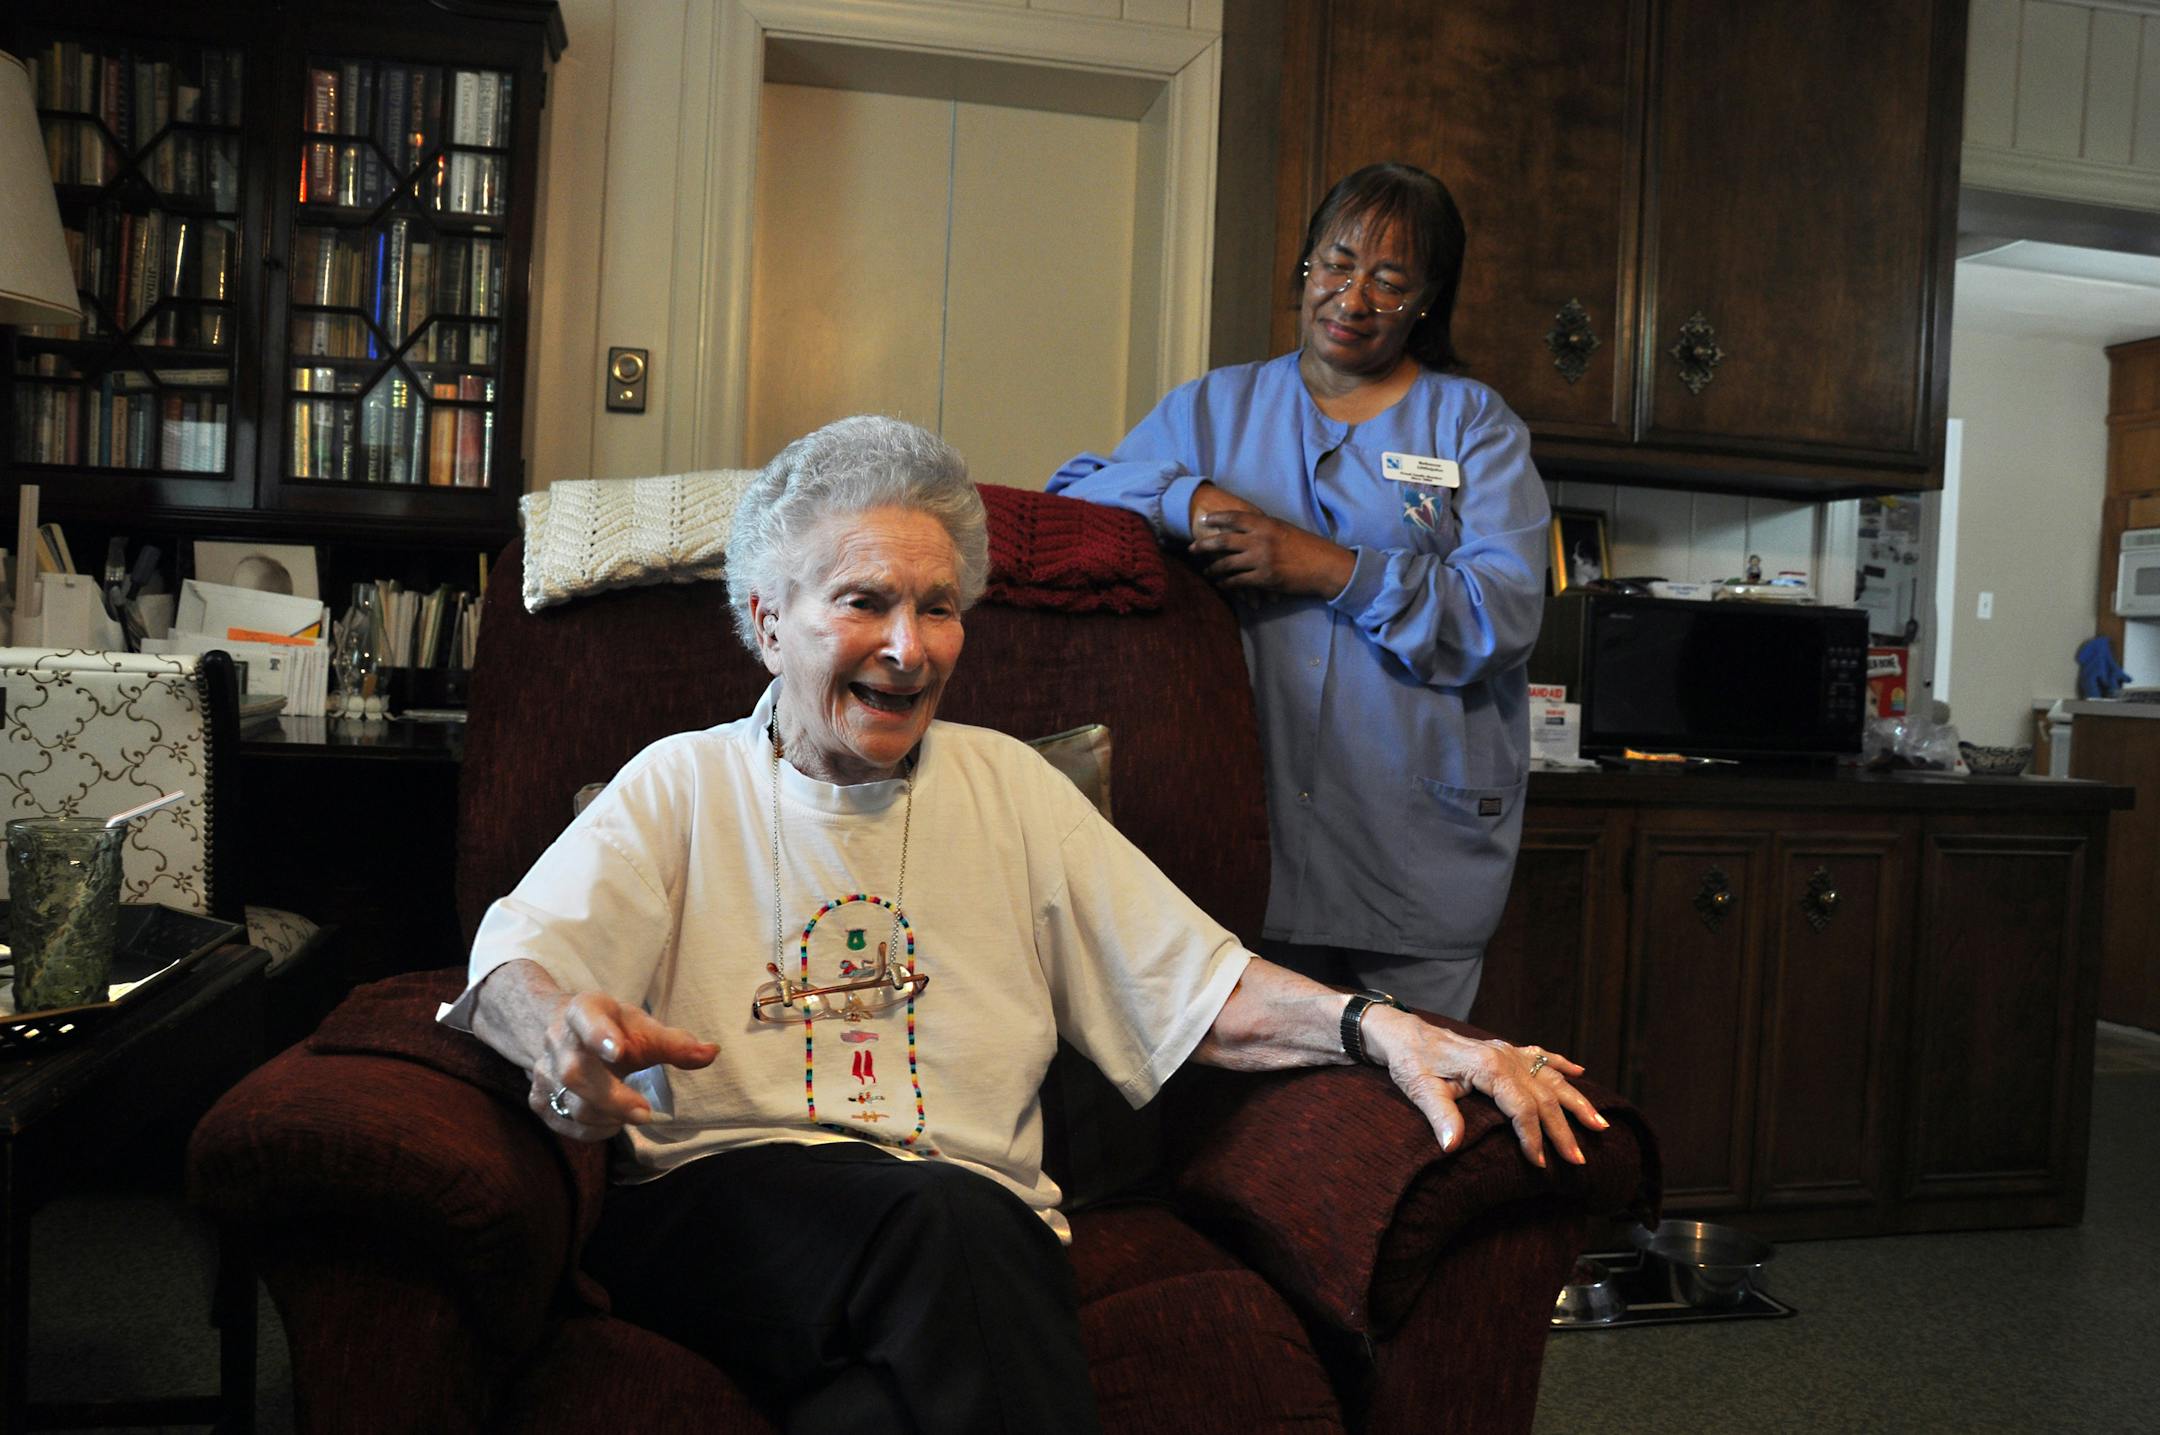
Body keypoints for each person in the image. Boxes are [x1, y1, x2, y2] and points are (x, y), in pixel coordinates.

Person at [440, 415, 1601, 1433]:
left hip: (974, 1245)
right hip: (721, 1212)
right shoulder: (681, 785)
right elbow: (509, 960)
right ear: (766, 618)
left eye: (938, 606)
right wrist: (559, 1033)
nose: (910, 646)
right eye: (864, 602)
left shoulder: (1009, 788)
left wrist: (1382, 1028)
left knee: (897, 1366)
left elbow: (1199, 987)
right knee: (951, 1222)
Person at [1046, 162, 1548, 1021]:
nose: (1352, 299)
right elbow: (1073, 497)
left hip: (1416, 852)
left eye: (1390, 282)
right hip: (1253, 840)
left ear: (1428, 301)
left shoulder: (1472, 424)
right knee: (1265, 1112)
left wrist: (1328, 567)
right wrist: (1188, 499)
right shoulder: (1216, 408)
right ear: (1303, 270)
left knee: (1404, 1109)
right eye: (1336, 266)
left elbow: (1500, 613)